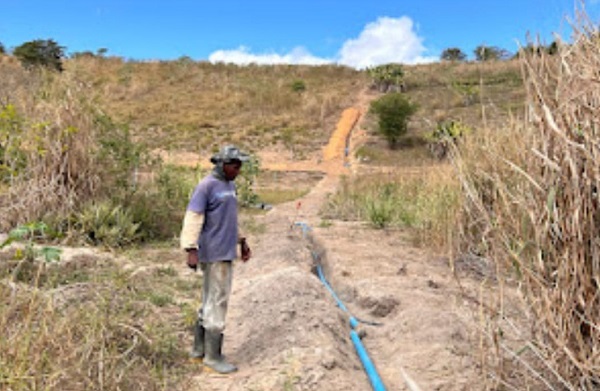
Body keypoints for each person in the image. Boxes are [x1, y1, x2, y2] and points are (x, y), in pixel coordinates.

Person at [180, 145, 252, 374]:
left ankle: (198, 350)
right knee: (218, 300)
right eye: (234, 165)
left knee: (210, 299)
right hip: (215, 252)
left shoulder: (229, 186)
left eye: (240, 166)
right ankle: (213, 356)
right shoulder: (206, 186)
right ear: (222, 164)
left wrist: (241, 241)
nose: (238, 170)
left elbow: (229, 218)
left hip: (226, 249)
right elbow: (193, 217)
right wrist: (191, 248)